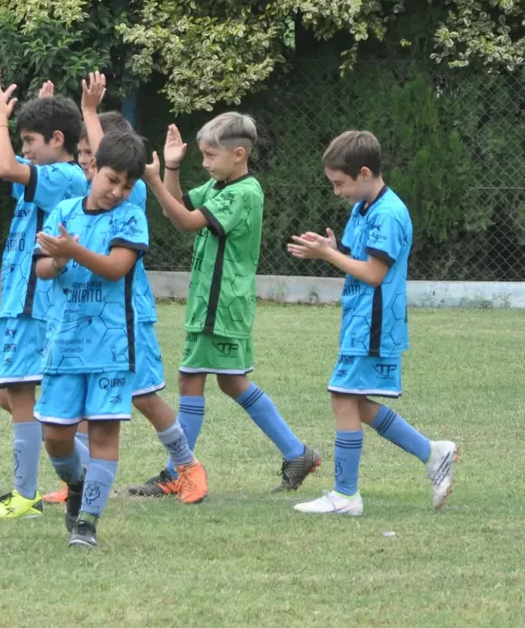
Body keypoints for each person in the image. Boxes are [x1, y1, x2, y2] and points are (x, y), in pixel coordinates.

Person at [144, 115, 322, 499]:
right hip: (214, 305)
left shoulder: (243, 193)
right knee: (229, 381)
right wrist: (171, 168)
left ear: (238, 154)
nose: (205, 162)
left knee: (192, 379)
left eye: (211, 155)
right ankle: (297, 453)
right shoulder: (220, 185)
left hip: (220, 307)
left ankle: (177, 472)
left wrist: (155, 180)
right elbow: (174, 207)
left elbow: (188, 223)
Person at [288, 130, 458, 516]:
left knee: (343, 398)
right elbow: (356, 255)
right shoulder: (363, 208)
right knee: (351, 401)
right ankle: (433, 453)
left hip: (375, 324)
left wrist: (329, 258)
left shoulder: (389, 213)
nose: (336, 192)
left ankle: (346, 495)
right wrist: (331, 250)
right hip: (359, 320)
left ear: (364, 173)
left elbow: (374, 273)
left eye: (339, 183)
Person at [0, 69, 89, 520]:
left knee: (19, 390)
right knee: (10, 395)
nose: (22, 150)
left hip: (37, 303)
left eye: (29, 142)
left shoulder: (66, 176)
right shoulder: (42, 172)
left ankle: (25, 496)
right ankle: (86, 465)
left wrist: (2, 119)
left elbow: (2, 164)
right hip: (18, 301)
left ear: (57, 140)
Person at [33, 130, 150, 547]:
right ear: (93, 168)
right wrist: (59, 258)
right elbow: (42, 268)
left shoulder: (131, 217)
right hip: (63, 346)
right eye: (112, 179)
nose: (117, 191)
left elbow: (115, 268)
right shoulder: (63, 210)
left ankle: (88, 523)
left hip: (112, 349)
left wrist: (71, 251)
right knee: (56, 436)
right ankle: (77, 483)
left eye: (128, 185)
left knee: (103, 433)